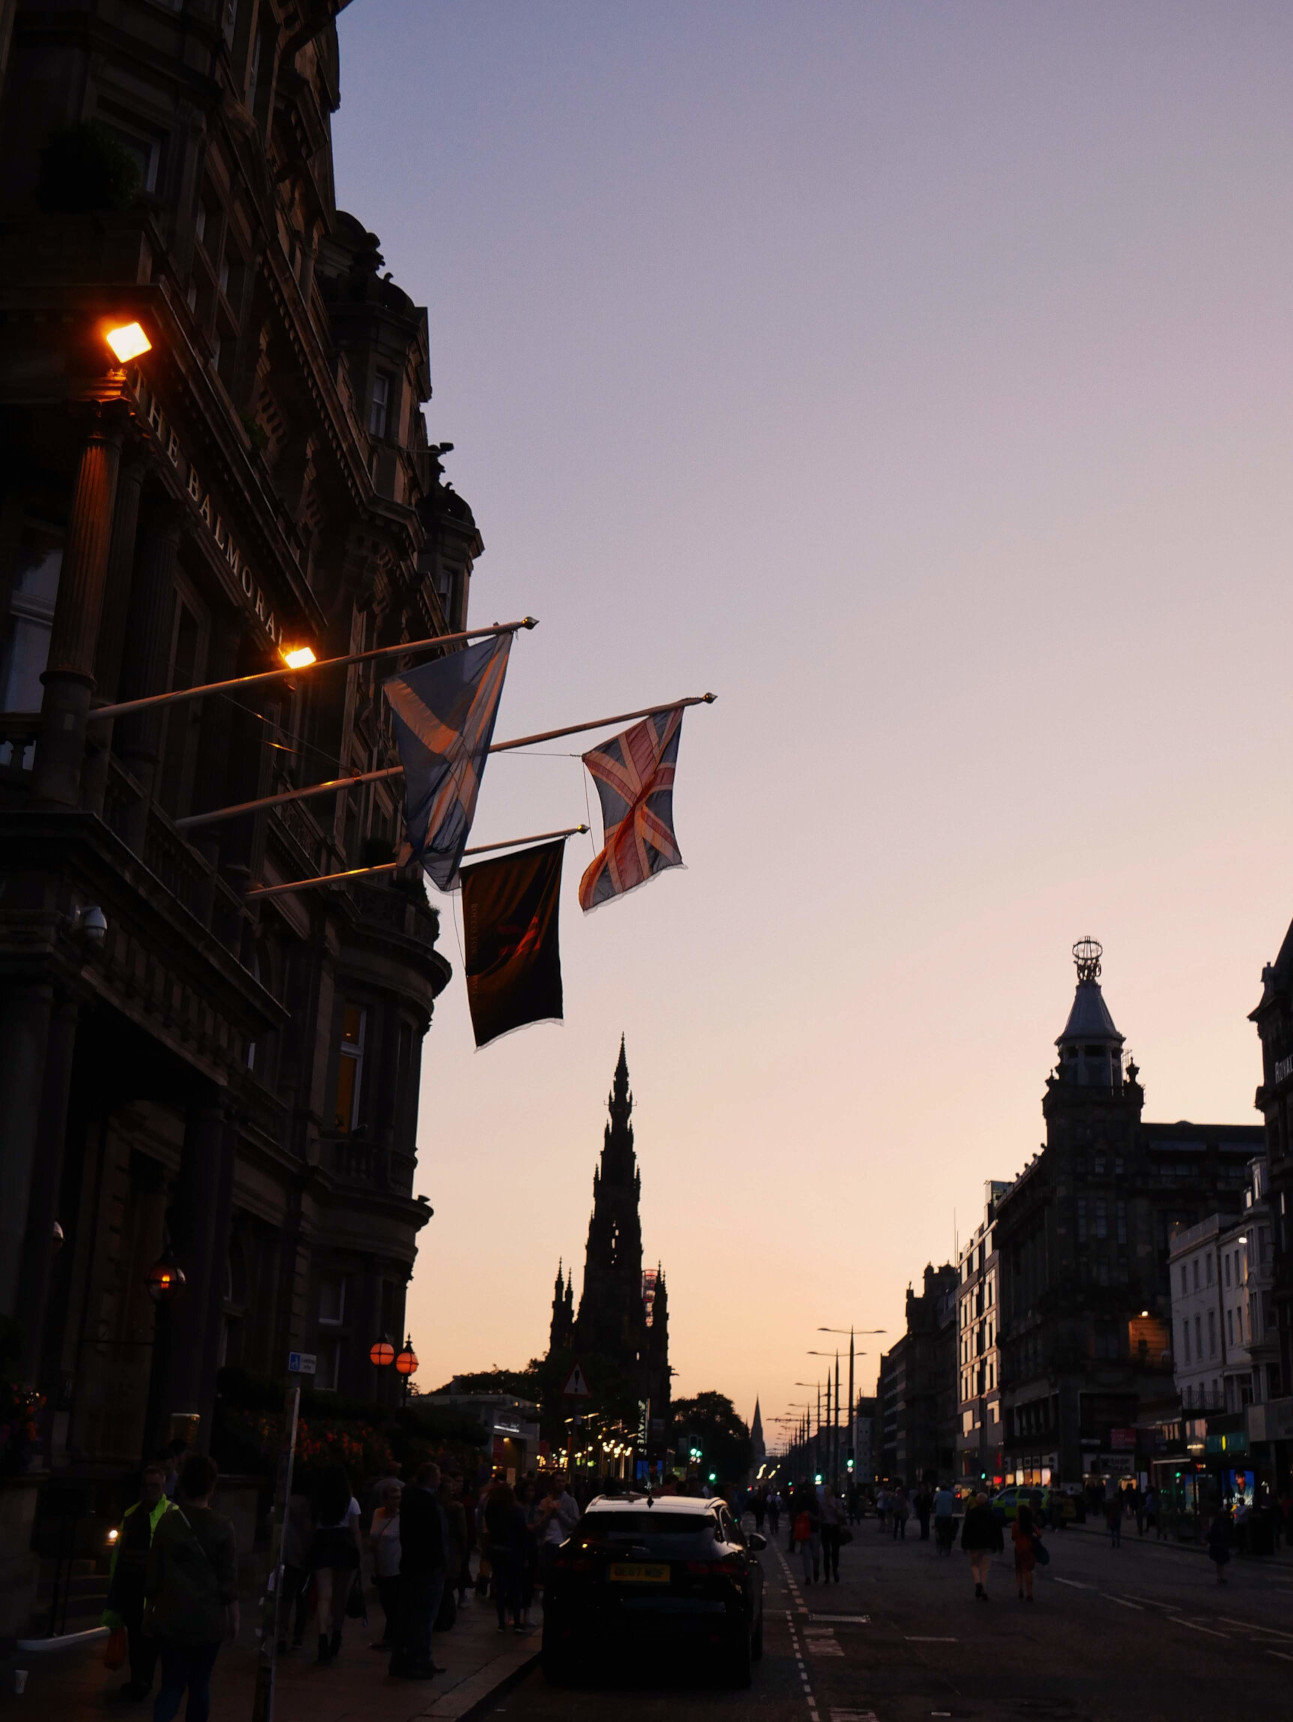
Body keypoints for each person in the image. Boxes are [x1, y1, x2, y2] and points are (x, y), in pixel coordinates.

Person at [145, 1452, 238, 1722]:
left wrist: (149, 1610)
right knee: (200, 1686)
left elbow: (155, 1572)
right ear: (211, 1485)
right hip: (207, 1621)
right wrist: (234, 1615)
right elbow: (228, 1577)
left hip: (171, 1617)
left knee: (171, 1686)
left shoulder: (168, 1523)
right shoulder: (223, 1526)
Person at [103, 1462, 172, 1701]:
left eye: (155, 1486)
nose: (150, 1490)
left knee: (150, 1641)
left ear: (163, 1487)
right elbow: (120, 1554)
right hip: (132, 1586)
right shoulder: (132, 1514)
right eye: (146, 1486)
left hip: (155, 1590)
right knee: (135, 1636)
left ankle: (145, 1681)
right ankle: (138, 1679)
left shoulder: (171, 1513)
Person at [390, 1461, 446, 1679]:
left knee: (412, 1614)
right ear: (431, 1478)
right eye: (438, 1476)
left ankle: (414, 1658)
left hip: (413, 1563)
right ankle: (418, 1659)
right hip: (427, 1565)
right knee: (423, 1615)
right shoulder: (427, 1502)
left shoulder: (410, 1498)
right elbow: (434, 1535)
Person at [309, 1466, 362, 1663]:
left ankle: (322, 1637)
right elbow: (355, 1530)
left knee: (324, 1596)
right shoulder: (351, 1502)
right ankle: (336, 1636)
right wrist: (359, 1554)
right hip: (344, 1545)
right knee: (341, 1596)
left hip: (323, 1544)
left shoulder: (318, 1503)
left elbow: (312, 1527)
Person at [484, 1479, 529, 1633]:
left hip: (497, 1550)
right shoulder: (516, 1510)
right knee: (515, 1587)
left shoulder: (492, 1509)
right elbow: (522, 1533)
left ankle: (501, 1622)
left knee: (501, 1586)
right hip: (513, 1551)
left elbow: (489, 1527)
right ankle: (516, 1621)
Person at [277, 1483, 313, 1655]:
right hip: (302, 1556)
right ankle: (297, 1636)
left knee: (287, 1598)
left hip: (289, 1555)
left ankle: (282, 1636)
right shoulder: (307, 1505)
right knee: (301, 1598)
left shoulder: (287, 1502)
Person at [368, 1480, 403, 1651]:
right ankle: (392, 1635)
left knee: (393, 1603)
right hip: (381, 1565)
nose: (396, 1501)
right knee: (386, 1601)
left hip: (396, 1567)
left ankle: (391, 1637)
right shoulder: (377, 1514)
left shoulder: (402, 1517)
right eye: (393, 1498)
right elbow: (373, 1539)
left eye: (398, 1498)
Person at [960, 1491, 1003, 1601]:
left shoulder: (972, 1513)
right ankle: (983, 1590)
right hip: (989, 1544)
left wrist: (964, 1544)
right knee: (985, 1568)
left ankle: (978, 1582)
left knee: (974, 1565)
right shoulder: (991, 1514)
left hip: (975, 1544)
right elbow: (998, 1530)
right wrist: (1000, 1544)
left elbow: (966, 1529)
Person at [792, 1486, 821, 1585]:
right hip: (814, 1530)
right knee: (815, 1553)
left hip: (804, 1531)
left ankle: (808, 1576)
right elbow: (819, 1517)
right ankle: (815, 1569)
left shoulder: (800, 1502)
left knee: (806, 1555)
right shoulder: (816, 1503)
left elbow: (795, 1514)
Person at [817, 1483, 844, 1584]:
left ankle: (835, 1571)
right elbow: (820, 1516)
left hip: (834, 1526)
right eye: (825, 1491)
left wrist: (833, 1507)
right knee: (826, 1552)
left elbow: (841, 1514)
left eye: (827, 1491)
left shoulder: (836, 1501)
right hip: (826, 1527)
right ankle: (827, 1575)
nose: (826, 1493)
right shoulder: (821, 1503)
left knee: (835, 1551)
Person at [1012, 1503, 1038, 1601]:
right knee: (1028, 1571)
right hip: (1029, 1548)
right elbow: (1039, 1534)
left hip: (1019, 1548)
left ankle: (1020, 1589)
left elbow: (1013, 1537)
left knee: (1019, 1570)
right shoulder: (1031, 1525)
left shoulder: (1015, 1525)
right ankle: (1029, 1592)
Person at [1207, 1508, 1232, 1584]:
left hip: (1219, 1544)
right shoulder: (1221, 1523)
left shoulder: (1218, 1523)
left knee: (1220, 1562)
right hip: (1220, 1544)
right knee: (1220, 1562)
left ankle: (1220, 1577)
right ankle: (1220, 1577)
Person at [933, 1482, 956, 1556]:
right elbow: (953, 1503)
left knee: (938, 1532)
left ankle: (939, 1546)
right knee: (948, 1532)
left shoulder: (937, 1494)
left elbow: (934, 1503)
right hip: (948, 1516)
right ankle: (948, 1548)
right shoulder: (950, 1495)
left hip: (939, 1515)